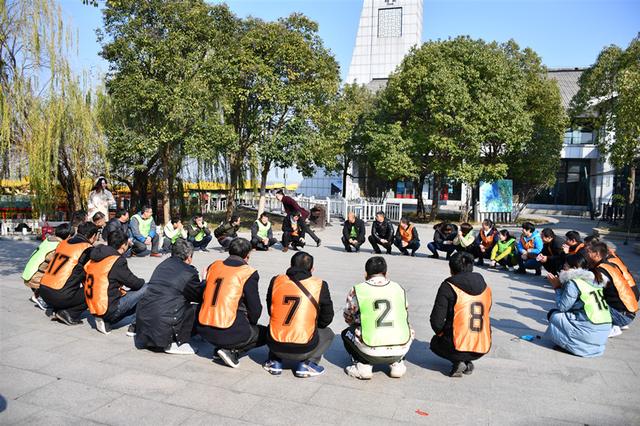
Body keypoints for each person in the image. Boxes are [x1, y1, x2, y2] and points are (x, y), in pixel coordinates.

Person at [197, 238, 267, 368]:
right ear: (248, 255)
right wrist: (251, 324)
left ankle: (220, 349)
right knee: (265, 333)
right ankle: (232, 351)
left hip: (204, 327)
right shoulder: (248, 273)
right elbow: (255, 308)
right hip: (228, 329)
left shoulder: (214, 265)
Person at [263, 252, 334, 377]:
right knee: (328, 333)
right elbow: (327, 318)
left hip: (275, 344)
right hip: (305, 347)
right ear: (312, 269)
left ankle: (275, 361)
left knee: (275, 325)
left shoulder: (276, 281)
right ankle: (308, 363)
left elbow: (271, 310)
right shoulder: (319, 284)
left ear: (290, 265)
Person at [342, 256, 413, 380]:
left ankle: (363, 365)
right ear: (386, 273)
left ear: (366, 274)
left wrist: (358, 323)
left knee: (346, 333)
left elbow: (348, 316)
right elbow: (405, 312)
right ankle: (397, 363)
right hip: (401, 346)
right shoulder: (398, 288)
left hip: (370, 348)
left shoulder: (358, 289)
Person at [135, 239, 204, 355]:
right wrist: (204, 281)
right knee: (199, 308)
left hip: (144, 327)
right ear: (189, 257)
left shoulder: (162, 265)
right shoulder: (189, 272)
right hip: (164, 329)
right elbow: (199, 296)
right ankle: (175, 342)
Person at [429, 252, 492, 377]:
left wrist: (441, 334)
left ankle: (458, 361)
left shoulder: (448, 286)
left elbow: (436, 321)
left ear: (451, 269)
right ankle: (467, 361)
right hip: (483, 345)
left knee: (435, 343)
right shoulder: (486, 287)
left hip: (456, 345)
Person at [545, 253, 611, 357]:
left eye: (565, 266)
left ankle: (570, 346)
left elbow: (562, 307)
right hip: (603, 329)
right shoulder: (595, 280)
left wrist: (557, 287)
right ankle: (580, 344)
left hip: (590, 328)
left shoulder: (574, 282)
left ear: (574, 268)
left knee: (553, 314)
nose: (562, 269)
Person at [84, 229, 147, 335]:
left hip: (94, 306)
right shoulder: (116, 261)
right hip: (108, 307)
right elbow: (135, 283)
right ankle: (135, 325)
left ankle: (105, 320)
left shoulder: (95, 256)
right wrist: (143, 282)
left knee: (132, 296)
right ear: (123, 246)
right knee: (148, 288)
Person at [39, 222, 99, 325]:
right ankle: (70, 313)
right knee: (94, 289)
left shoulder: (64, 242)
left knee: (70, 280)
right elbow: (91, 275)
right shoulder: (87, 249)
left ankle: (58, 308)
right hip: (58, 295)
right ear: (93, 236)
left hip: (43, 290)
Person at [585, 242, 638, 337]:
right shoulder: (609, 265)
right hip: (628, 313)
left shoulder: (601, 271)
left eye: (588, 252)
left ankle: (613, 326)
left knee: (588, 300)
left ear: (597, 254)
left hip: (622, 316)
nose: (586, 255)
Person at [22, 223, 72, 310]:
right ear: (68, 236)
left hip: (29, 271)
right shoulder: (57, 246)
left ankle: (37, 295)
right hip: (35, 276)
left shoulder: (50, 240)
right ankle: (40, 298)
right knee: (60, 278)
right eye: (71, 236)